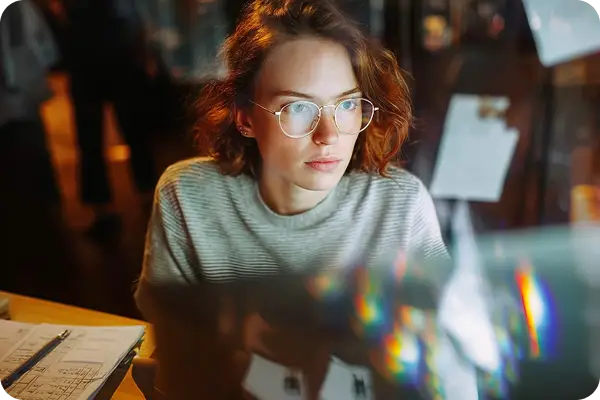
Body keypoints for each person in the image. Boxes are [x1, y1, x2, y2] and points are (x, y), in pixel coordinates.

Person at [135, 0, 496, 398]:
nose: (329, 134)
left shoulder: (400, 204)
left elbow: (449, 359)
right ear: (245, 118)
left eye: (345, 105)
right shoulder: (188, 196)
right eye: (298, 108)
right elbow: (176, 350)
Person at [61, 0, 159, 236]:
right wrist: (145, 50)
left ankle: (102, 208)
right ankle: (149, 198)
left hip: (87, 57)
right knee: (134, 131)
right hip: (119, 52)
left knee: (91, 136)